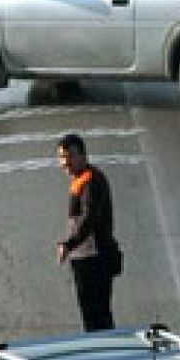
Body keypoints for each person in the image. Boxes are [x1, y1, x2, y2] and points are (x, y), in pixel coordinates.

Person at [55, 133, 117, 331]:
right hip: (85, 256)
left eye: (70, 156)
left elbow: (89, 220)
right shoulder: (81, 178)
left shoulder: (90, 180)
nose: (66, 163)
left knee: (96, 315)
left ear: (83, 155)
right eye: (62, 157)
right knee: (94, 313)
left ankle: (104, 353)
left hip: (94, 258)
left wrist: (68, 244)